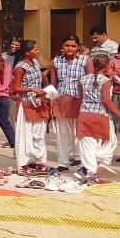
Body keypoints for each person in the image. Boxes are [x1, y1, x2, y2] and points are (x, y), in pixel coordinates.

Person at [76, 54, 120, 183]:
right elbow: (106, 101)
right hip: (101, 115)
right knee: (111, 140)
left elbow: (80, 99)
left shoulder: (82, 79)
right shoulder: (106, 81)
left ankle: (90, 172)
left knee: (87, 145)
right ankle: (102, 160)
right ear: (106, 66)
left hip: (85, 114)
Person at [47, 35, 86, 171]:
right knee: (63, 133)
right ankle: (63, 161)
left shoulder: (85, 61)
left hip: (80, 99)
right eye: (67, 46)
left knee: (80, 132)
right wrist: (51, 101)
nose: (70, 48)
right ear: (62, 47)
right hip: (62, 99)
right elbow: (54, 83)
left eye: (73, 46)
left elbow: (91, 80)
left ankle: (82, 161)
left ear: (78, 47)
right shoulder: (56, 61)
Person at [11, 40, 50, 174]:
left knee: (38, 133)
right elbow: (15, 88)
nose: (38, 51)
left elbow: (41, 79)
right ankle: (23, 163)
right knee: (25, 134)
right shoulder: (20, 67)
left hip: (38, 102)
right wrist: (32, 89)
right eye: (36, 50)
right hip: (27, 102)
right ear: (27, 52)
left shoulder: (36, 63)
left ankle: (38, 161)